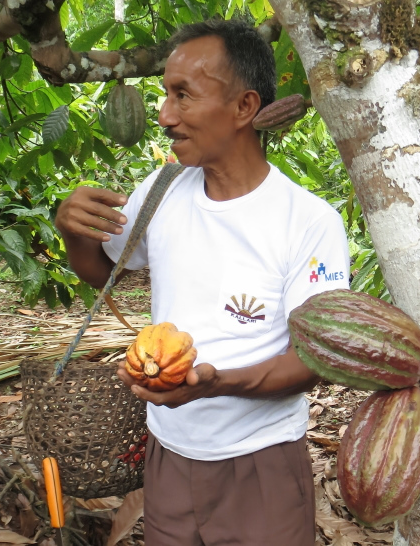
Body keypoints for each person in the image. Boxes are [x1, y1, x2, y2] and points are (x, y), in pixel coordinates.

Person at [54, 19, 350, 546]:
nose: (165, 116)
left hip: (260, 461)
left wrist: (216, 384)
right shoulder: (163, 187)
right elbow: (104, 273)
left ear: (243, 107)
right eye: (165, 94)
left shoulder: (307, 221)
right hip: (168, 454)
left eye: (183, 95)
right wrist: (74, 233)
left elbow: (312, 362)